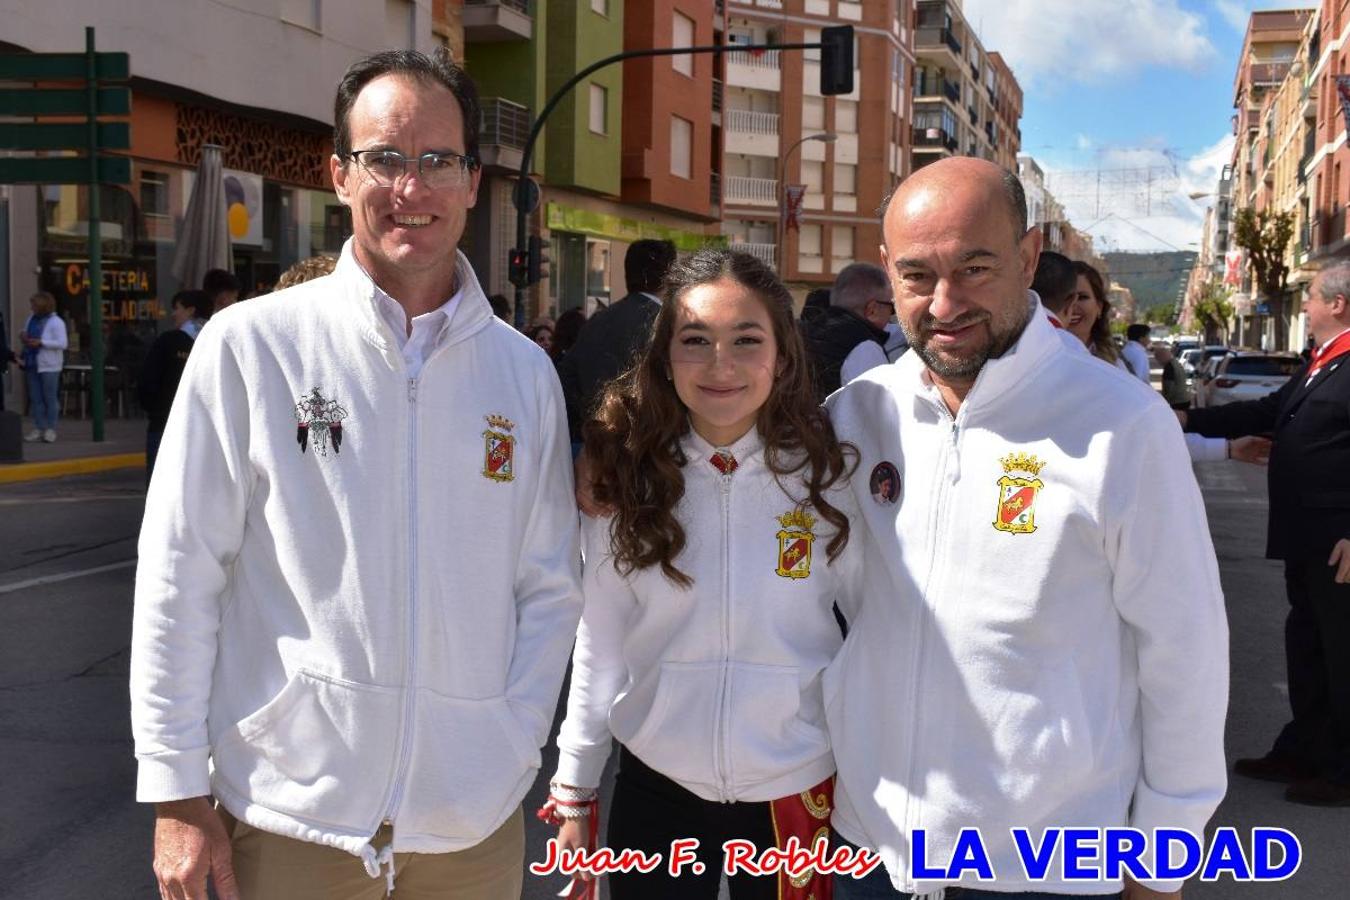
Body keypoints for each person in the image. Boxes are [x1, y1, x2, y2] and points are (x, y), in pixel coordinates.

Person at [130, 48, 583, 900]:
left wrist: (510, 740)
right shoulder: (252, 346)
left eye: (437, 161)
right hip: (289, 818)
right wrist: (177, 792)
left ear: (473, 181)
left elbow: (548, 585)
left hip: (469, 831)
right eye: (384, 159)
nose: (411, 188)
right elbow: (180, 573)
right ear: (339, 174)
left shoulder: (523, 375)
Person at [825, 157, 1228, 898]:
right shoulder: (857, 415)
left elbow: (1186, 650)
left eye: (975, 267)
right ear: (887, 274)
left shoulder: (1122, 424)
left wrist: (1167, 849)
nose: (946, 303)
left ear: (1029, 255)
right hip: (871, 851)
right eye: (917, 275)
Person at [548, 248, 859, 900]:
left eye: (747, 340)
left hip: (796, 795)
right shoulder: (623, 473)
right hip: (657, 786)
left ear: (783, 354)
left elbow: (875, 629)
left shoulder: (833, 473)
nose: (722, 365)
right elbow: (600, 635)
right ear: (665, 357)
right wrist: (574, 787)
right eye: (696, 341)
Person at [1181, 260, 1350, 807]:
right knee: (1308, 647)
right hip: (1308, 537)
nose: (1304, 306)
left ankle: (1343, 771)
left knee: (1341, 653)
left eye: (1311, 299)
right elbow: (1270, 410)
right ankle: (1304, 748)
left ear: (1338, 304)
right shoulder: (1324, 363)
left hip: (1339, 540)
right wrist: (1179, 419)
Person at [557, 239, 677, 443]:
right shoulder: (666, 324)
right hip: (650, 446)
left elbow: (567, 379)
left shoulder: (596, 322)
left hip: (596, 445)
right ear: (669, 277)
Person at [139, 290, 213, 482]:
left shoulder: (168, 341)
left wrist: (157, 410)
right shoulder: (216, 340)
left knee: (161, 485)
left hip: (165, 425)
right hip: (207, 429)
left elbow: (147, 382)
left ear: (190, 310)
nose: (173, 314)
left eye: (177, 308)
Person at [800, 261, 893, 401]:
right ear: (872, 309)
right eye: (891, 307)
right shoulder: (864, 348)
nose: (891, 314)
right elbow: (878, 413)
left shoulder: (805, 332)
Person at [20, 291, 68, 443]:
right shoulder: (31, 319)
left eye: (34, 304)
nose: (31, 307)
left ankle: (51, 429)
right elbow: (26, 332)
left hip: (50, 365)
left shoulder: (56, 322)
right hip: (33, 362)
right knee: (36, 398)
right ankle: (39, 427)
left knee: (50, 397)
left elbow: (62, 343)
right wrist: (23, 335)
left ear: (42, 305)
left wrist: (42, 343)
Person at [1067, 260, 1124, 367]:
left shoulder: (1116, 365)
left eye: (1082, 297)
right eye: (1067, 297)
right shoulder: (1036, 357)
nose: (1072, 305)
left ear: (1099, 307)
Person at [1155, 342, 1191, 410]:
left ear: (1162, 357)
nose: (1158, 362)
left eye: (1158, 358)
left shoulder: (1169, 367)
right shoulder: (1176, 363)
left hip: (1176, 402)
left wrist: (1164, 402)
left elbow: (1169, 388)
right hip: (1184, 399)